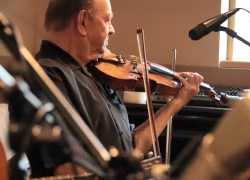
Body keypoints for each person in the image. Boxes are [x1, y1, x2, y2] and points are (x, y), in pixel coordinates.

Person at [29, 0, 203, 177]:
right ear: (82, 22)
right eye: (107, 20)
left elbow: (132, 146)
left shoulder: (94, 74)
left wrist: (178, 101)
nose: (112, 29)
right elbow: (66, 170)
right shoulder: (48, 77)